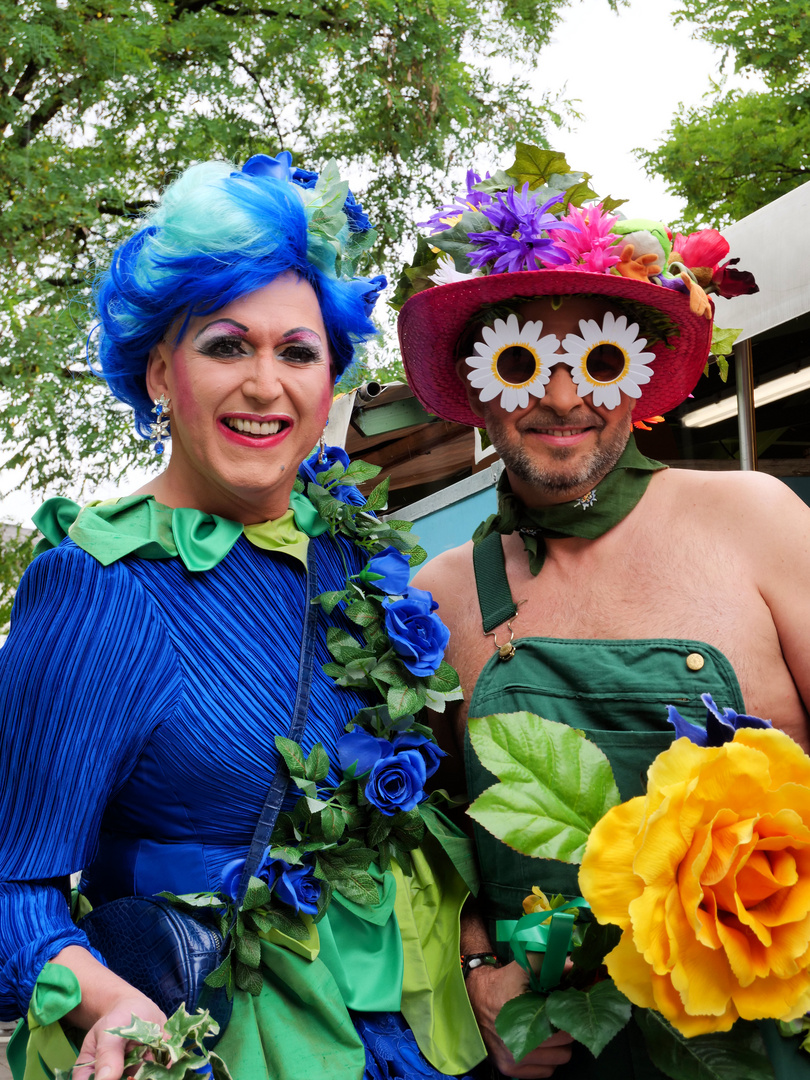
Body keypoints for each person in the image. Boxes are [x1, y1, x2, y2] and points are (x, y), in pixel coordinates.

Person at [0, 154, 485, 1080]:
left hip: (414, 1037)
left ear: (330, 381)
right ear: (156, 373)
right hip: (221, 1042)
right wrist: (108, 1000)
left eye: (298, 353)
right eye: (227, 345)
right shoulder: (101, 588)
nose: (266, 384)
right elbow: (9, 885)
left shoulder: (353, 554)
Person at [397, 152, 810, 1079]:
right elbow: (428, 850)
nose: (560, 396)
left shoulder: (761, 524)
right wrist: (476, 972)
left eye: (595, 358)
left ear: (638, 374)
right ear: (479, 385)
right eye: (522, 361)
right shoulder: (437, 601)